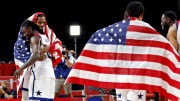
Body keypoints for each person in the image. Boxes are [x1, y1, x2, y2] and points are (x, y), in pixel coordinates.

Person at [13, 12, 62, 101]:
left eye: (24, 32)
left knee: (34, 99)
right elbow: (44, 50)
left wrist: (20, 69)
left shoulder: (34, 37)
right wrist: (40, 52)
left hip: (40, 74)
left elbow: (36, 55)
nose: (24, 35)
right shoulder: (44, 37)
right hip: (50, 74)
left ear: (30, 28)